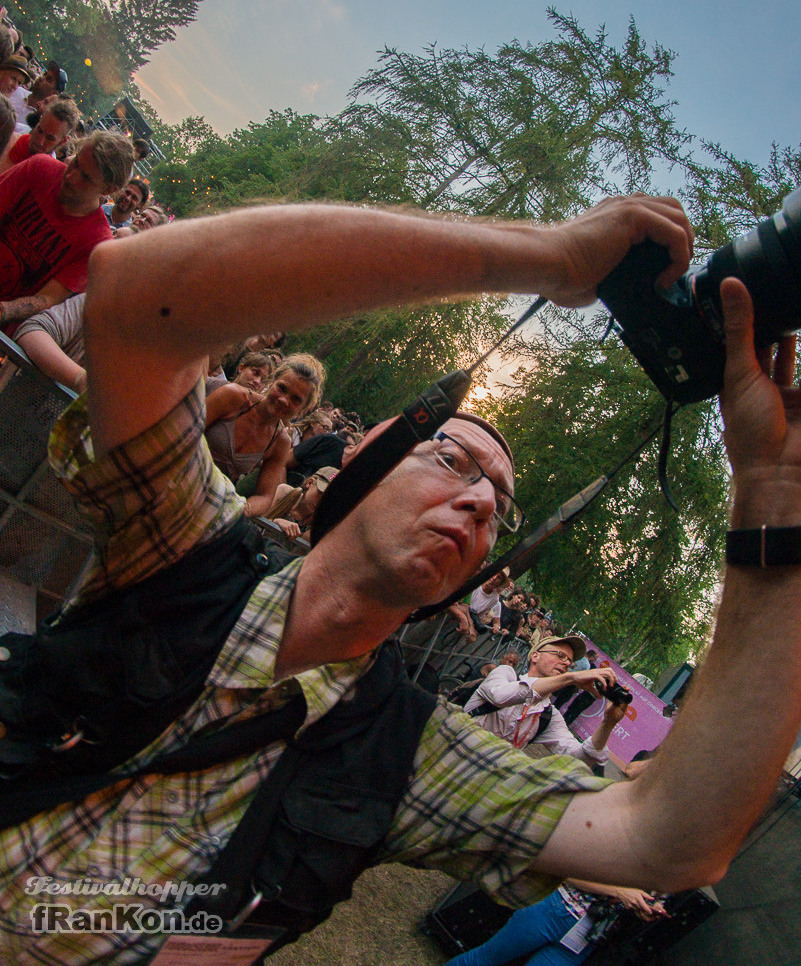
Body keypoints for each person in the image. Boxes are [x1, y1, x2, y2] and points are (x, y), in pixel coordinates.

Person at [2, 194, 801, 966]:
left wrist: (771, 498)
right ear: (363, 461)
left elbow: (674, 837)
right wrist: (549, 257)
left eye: (500, 504)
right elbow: (141, 292)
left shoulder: (411, 758)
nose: (483, 499)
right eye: (453, 459)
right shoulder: (185, 550)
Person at [0, 130, 133, 330]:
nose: (70, 177)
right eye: (76, 162)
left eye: (86, 178)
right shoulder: (40, 167)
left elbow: (47, 298)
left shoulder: (97, 243)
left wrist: (3, 311)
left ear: (108, 190)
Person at [465, 635, 626, 768]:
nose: (566, 663)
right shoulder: (505, 673)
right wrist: (571, 678)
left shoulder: (548, 716)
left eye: (570, 663)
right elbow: (500, 697)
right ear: (535, 655)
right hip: (454, 754)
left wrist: (608, 723)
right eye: (560, 656)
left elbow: (580, 758)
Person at [441, 879, 667, 966]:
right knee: (484, 960)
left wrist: (647, 910)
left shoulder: (674, 870)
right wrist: (619, 890)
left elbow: (651, 902)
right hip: (555, 908)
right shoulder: (623, 830)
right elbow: (566, 873)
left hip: (587, 936)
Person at [204, 352, 325, 515]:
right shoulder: (234, 397)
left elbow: (265, 496)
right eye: (282, 388)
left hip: (211, 502)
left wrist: (239, 510)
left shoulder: (280, 442)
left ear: (303, 409)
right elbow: (186, 432)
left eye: (296, 399)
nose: (283, 400)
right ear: (272, 382)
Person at [0, 98, 81, 173]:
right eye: (40, 131)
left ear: (63, 141)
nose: (40, 141)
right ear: (40, 120)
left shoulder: (49, 175)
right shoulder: (9, 140)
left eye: (49, 138)